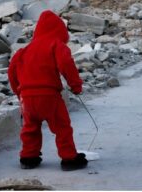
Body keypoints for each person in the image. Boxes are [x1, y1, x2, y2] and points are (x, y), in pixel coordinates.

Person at [8, 10, 89, 171]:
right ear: (60, 31)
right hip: (49, 96)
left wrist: (20, 94)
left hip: (27, 98)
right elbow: (66, 63)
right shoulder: (56, 45)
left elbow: (11, 72)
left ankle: (28, 158)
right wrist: (76, 86)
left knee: (30, 128)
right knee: (62, 127)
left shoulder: (24, 51)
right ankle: (69, 158)